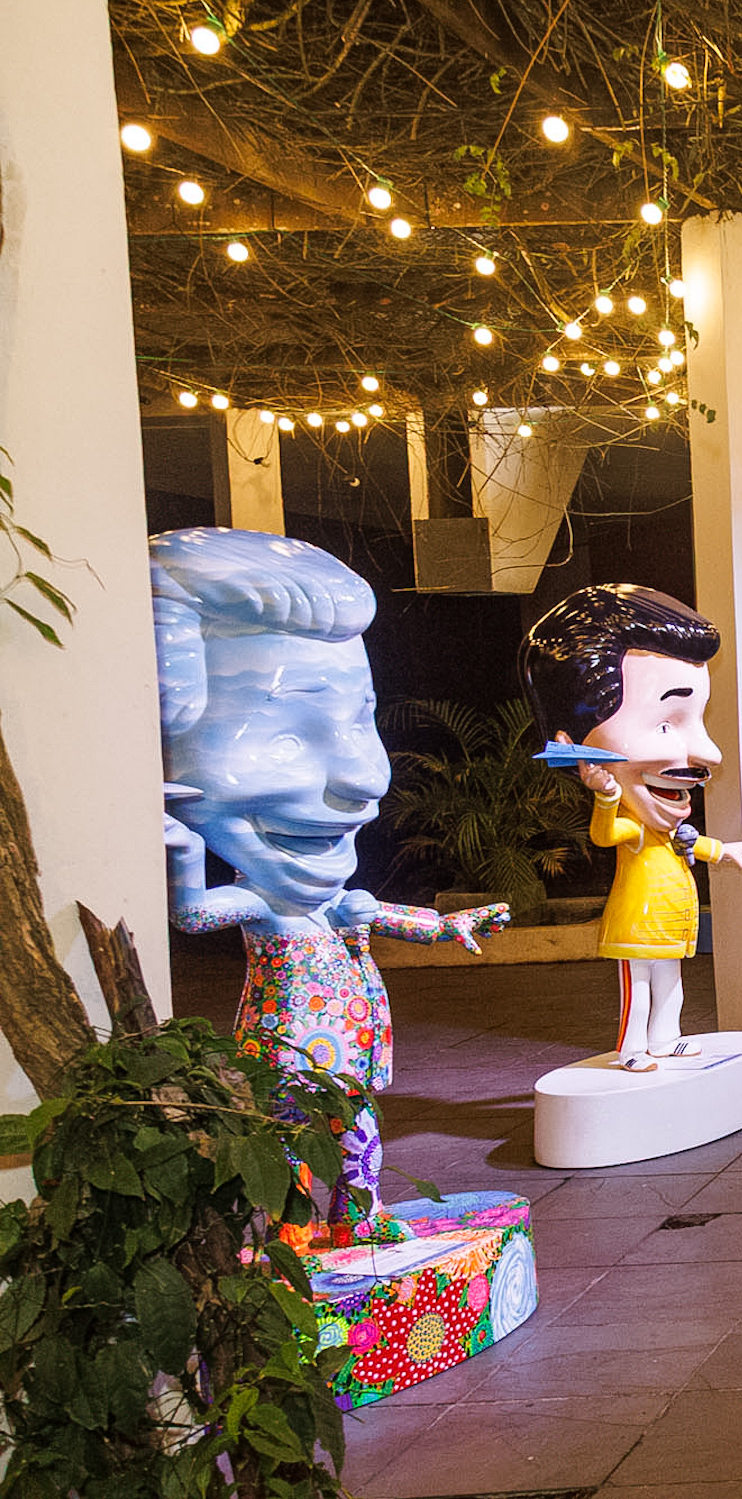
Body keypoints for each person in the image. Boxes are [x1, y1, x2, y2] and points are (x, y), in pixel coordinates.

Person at [153, 528, 507, 1241]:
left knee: (358, 1134)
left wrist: (448, 926)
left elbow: (389, 917)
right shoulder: (262, 907)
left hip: (354, 1055)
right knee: (288, 1138)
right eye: (285, 737)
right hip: (288, 1059)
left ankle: (358, 1218)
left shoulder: (334, 907)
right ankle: (289, 1232)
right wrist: (179, 850)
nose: (368, 778)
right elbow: (192, 916)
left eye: (360, 720)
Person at [521, 585, 742, 1071]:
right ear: (573, 744)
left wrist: (728, 851)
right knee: (639, 989)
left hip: (671, 927)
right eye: (666, 723)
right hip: (637, 927)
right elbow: (604, 836)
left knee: (671, 986)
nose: (709, 754)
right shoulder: (633, 827)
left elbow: (691, 844)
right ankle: (632, 1048)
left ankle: (666, 1038)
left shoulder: (665, 833)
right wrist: (607, 797)